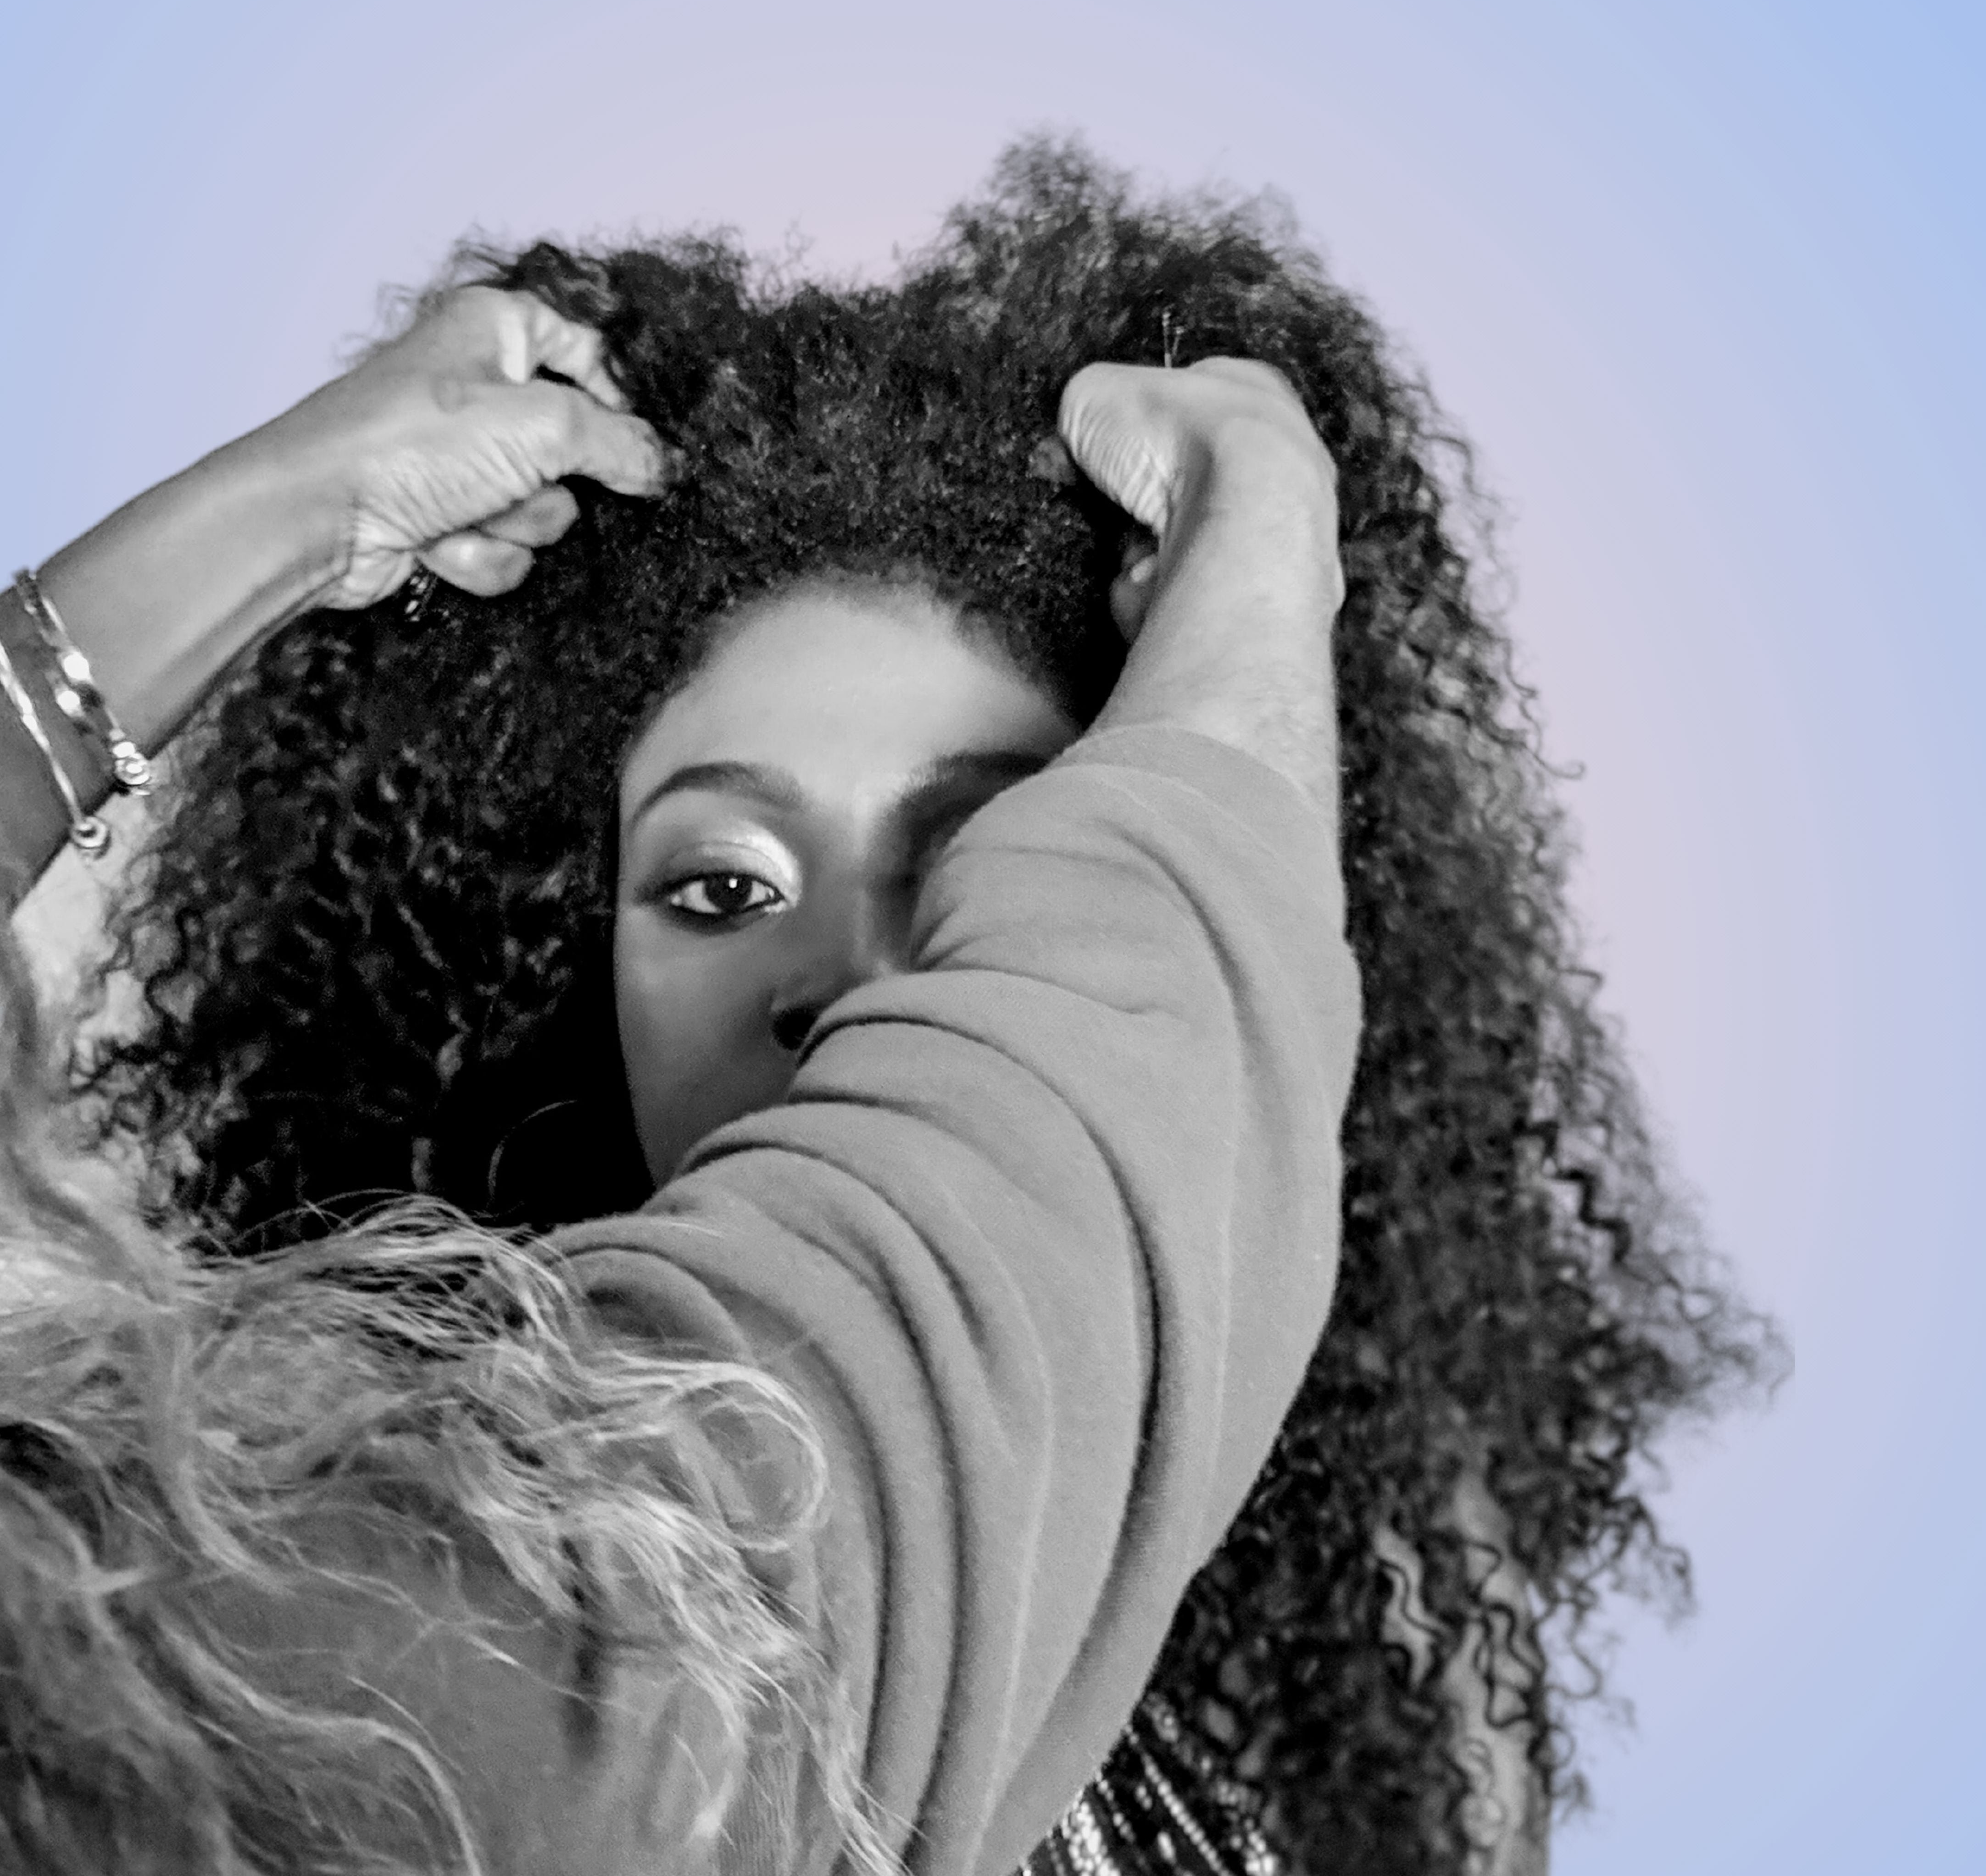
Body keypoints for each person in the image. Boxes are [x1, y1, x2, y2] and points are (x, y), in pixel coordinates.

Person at [23, 142, 1771, 1872]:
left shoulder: (1347, 1691)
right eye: (721, 888)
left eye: (993, 870)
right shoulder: (401, 1650)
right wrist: (1253, 589)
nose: (848, 991)